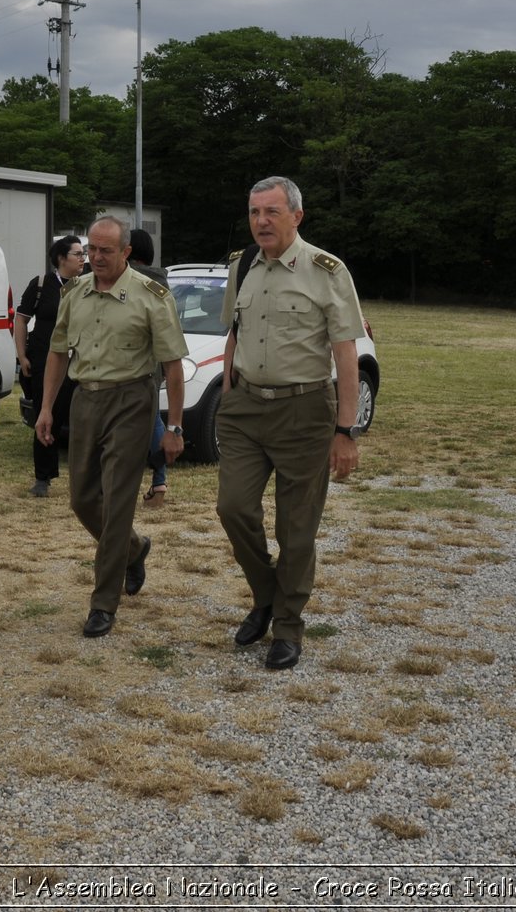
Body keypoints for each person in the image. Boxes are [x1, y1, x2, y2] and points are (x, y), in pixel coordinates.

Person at [216, 176, 367, 669]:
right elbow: (234, 334)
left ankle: (287, 626)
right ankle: (266, 594)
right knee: (233, 507)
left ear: (296, 217)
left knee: (296, 530)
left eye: (272, 212)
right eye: (255, 211)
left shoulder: (327, 270)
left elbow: (346, 354)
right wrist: (226, 390)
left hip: (304, 411)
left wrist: (347, 431)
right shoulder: (241, 266)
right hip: (244, 409)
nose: (261, 221)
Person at [35, 216, 189, 638]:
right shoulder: (76, 292)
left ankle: (103, 603)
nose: (95, 258)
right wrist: (46, 408)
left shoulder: (151, 296)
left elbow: (173, 366)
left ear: (125, 253)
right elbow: (57, 353)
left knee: (118, 501)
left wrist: (173, 426)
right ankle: (134, 549)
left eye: (105, 251)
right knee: (83, 500)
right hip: (86, 399)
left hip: (131, 400)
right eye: (90, 250)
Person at [14, 236, 86, 496]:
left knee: (81, 417)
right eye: (77, 254)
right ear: (61, 258)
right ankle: (43, 478)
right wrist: (22, 356)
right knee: (47, 415)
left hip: (79, 359)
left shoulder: (87, 284)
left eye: (83, 253)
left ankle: (86, 476)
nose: (83, 258)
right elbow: (21, 320)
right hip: (45, 360)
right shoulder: (42, 285)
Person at [128, 228, 171, 507]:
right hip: (155, 364)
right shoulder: (161, 282)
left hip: (129, 363)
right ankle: (159, 480)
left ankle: (156, 481)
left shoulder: (130, 280)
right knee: (153, 418)